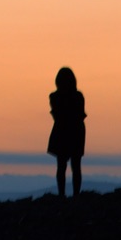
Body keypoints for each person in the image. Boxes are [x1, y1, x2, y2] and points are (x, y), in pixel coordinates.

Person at [47, 66, 86, 197]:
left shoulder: (54, 97)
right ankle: (75, 195)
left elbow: (57, 115)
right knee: (75, 166)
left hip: (62, 131)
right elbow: (81, 115)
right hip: (75, 132)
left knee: (62, 166)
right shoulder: (78, 96)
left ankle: (62, 195)